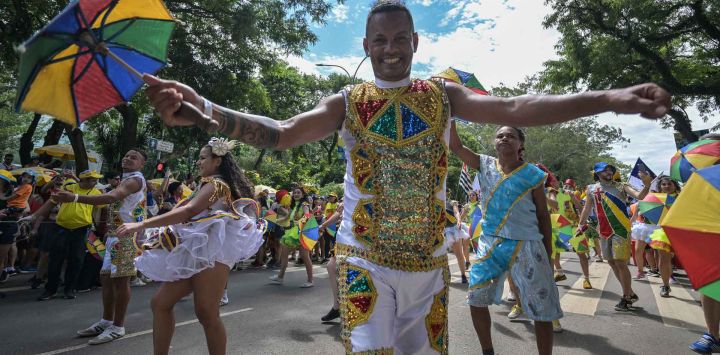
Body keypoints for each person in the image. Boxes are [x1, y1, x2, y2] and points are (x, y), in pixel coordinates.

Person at [144, 1, 670, 351]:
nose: (390, 48)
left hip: (429, 262)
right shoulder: (347, 101)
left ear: (415, 43)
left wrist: (608, 99)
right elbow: (281, 131)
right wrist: (206, 110)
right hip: (362, 256)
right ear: (367, 46)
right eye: (380, 40)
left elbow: (518, 104)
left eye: (400, 38)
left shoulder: (443, 96)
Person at [116, 138, 263, 355]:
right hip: (194, 249)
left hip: (214, 251)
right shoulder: (208, 183)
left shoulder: (217, 184)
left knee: (206, 313)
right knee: (160, 303)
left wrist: (141, 223)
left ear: (218, 160)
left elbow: (188, 211)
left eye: (203, 158)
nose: (198, 162)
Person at [450, 123, 561, 354]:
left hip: (527, 244)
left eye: (510, 136)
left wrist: (548, 252)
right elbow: (456, 146)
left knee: (542, 308)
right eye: (500, 136)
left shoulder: (533, 174)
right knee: (476, 298)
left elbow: (543, 215)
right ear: (494, 142)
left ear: (520, 144)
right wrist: (451, 117)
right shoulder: (484, 164)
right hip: (490, 243)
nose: (504, 138)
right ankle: (487, 350)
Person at [53, 149, 148, 345]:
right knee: (106, 279)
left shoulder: (135, 180)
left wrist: (75, 198)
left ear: (142, 164)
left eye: (134, 157)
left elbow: (113, 198)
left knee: (121, 281)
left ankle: (118, 326)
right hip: (115, 235)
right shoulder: (124, 179)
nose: (128, 158)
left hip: (127, 236)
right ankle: (106, 321)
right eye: (127, 155)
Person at [576, 162, 652, 311]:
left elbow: (640, 196)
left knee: (620, 262)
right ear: (597, 173)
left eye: (610, 169)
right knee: (611, 262)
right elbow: (587, 207)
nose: (608, 172)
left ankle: (626, 297)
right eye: (604, 170)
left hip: (620, 229)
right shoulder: (591, 189)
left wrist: (647, 185)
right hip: (603, 230)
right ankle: (629, 292)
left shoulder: (621, 186)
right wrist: (580, 224)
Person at [34, 170, 104, 300]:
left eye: (96, 180)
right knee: (55, 260)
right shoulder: (68, 188)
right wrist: (34, 216)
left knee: (76, 260)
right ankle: (50, 290)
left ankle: (69, 289)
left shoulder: (96, 193)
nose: (95, 182)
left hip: (81, 229)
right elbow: (52, 201)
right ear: (85, 180)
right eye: (93, 180)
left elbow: (105, 203)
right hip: (61, 228)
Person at [269, 187, 314, 287]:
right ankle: (280, 277)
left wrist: (299, 226)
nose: (296, 194)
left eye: (298, 193)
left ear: (302, 195)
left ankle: (310, 281)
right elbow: (286, 217)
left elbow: (307, 215)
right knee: (284, 254)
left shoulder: (304, 204)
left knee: (305, 256)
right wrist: (272, 221)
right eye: (294, 193)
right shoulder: (294, 206)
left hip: (302, 231)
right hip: (293, 232)